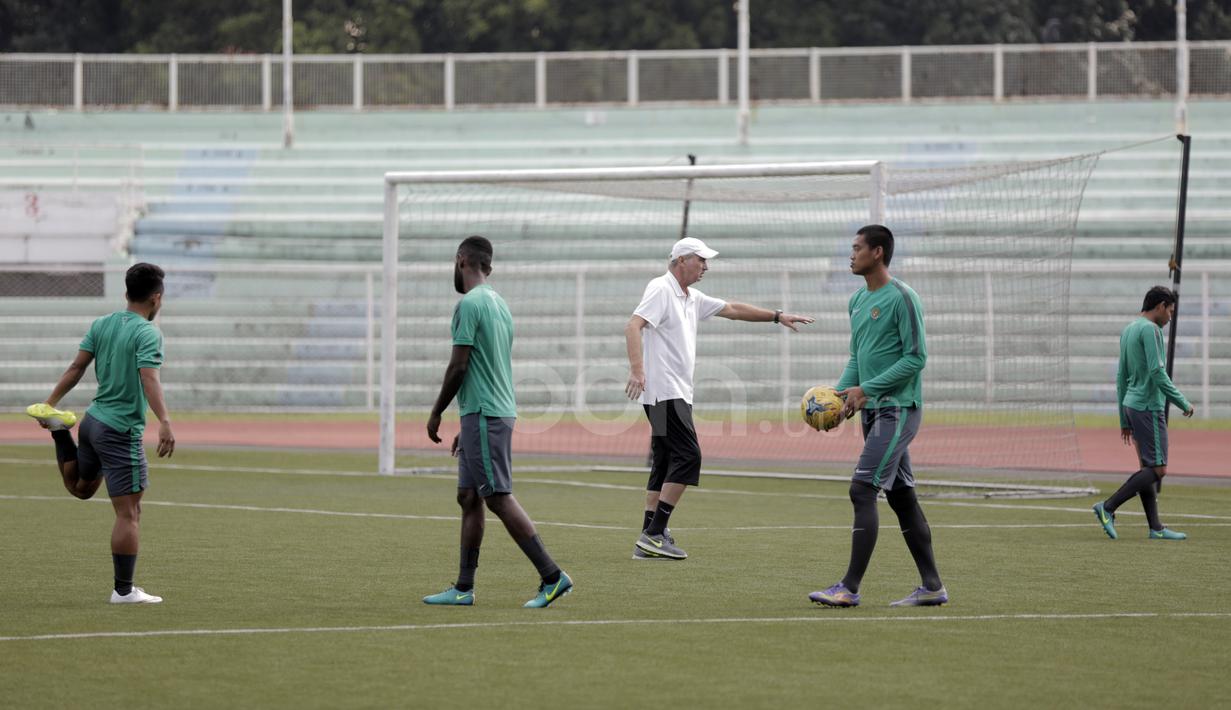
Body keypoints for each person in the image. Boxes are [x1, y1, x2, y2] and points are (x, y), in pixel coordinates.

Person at [625, 237, 814, 560]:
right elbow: (633, 325)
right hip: (664, 391)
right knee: (689, 457)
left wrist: (776, 316)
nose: (706, 267)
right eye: (702, 260)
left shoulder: (691, 297)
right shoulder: (661, 288)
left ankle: (649, 534)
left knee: (665, 460)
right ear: (682, 260)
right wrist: (637, 369)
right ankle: (656, 534)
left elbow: (733, 309)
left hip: (673, 392)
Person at [424, 235, 573, 608]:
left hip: (487, 414)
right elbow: (489, 367)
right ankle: (463, 587)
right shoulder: (500, 304)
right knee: (469, 496)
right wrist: (467, 421)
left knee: (497, 498)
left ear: (461, 260)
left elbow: (459, 365)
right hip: (483, 412)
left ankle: (553, 576)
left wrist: (437, 410)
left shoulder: (469, 304)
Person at [809, 225, 947, 608]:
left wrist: (867, 390)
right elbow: (857, 357)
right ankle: (933, 586)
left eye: (857, 249)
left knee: (862, 488)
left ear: (879, 252)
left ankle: (848, 588)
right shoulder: (856, 300)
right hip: (873, 411)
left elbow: (916, 358)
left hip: (898, 410)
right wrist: (841, 397)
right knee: (902, 498)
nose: (850, 255)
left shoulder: (902, 297)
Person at [26, 262, 175, 604]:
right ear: (156, 298)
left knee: (81, 489)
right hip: (120, 429)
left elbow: (76, 367)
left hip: (93, 421)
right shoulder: (148, 332)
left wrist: (50, 404)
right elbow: (148, 378)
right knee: (129, 513)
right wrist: (164, 420)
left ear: (126, 294)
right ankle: (123, 591)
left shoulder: (103, 324)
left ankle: (60, 432)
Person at [1093, 286, 1194, 541]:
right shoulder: (1152, 330)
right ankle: (1108, 506)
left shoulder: (1129, 329)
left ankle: (1156, 528)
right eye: (1170, 311)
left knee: (1147, 467)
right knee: (1158, 469)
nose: (1171, 317)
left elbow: (1120, 378)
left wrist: (1123, 418)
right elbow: (1157, 373)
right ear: (1160, 306)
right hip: (1148, 406)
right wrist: (1183, 402)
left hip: (1132, 405)